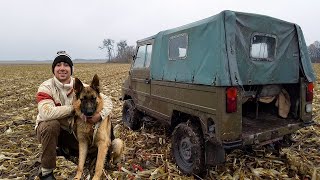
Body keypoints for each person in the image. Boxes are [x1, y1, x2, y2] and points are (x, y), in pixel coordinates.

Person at [35, 51, 113, 179]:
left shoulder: (82, 87)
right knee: (51, 125)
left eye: (66, 65)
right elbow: (46, 113)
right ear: (53, 69)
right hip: (49, 130)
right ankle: (47, 171)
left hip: (71, 130)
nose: (62, 68)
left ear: (71, 69)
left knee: (94, 144)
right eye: (58, 65)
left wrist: (100, 115)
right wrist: (74, 108)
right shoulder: (46, 87)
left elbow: (107, 101)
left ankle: (65, 150)